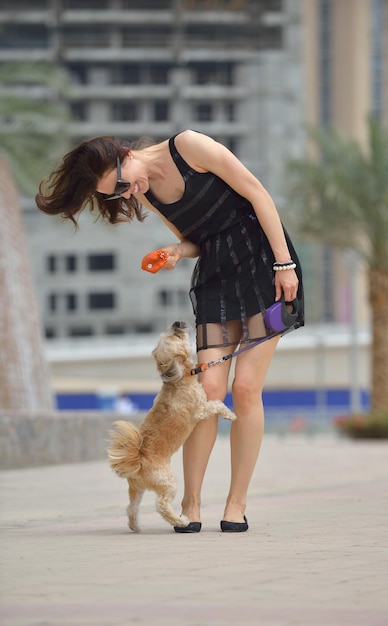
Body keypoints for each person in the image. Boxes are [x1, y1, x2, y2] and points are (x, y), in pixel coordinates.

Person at [36, 129, 304, 533]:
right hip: (216, 278)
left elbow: (257, 193)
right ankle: (191, 503)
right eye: (116, 194)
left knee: (246, 389)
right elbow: (195, 241)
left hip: (263, 266)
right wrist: (177, 250)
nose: (128, 194)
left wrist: (284, 265)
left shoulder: (189, 147)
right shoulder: (144, 191)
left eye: (123, 184)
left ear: (125, 154)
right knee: (206, 392)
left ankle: (236, 503)